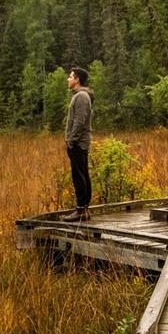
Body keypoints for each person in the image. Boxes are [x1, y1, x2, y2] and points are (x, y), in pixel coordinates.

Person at [63, 67, 93, 221]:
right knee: (82, 174)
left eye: (70, 76)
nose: (68, 79)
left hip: (78, 144)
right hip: (79, 143)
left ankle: (81, 209)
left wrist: (71, 140)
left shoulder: (81, 96)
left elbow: (80, 122)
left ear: (77, 79)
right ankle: (84, 209)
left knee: (78, 175)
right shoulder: (80, 96)